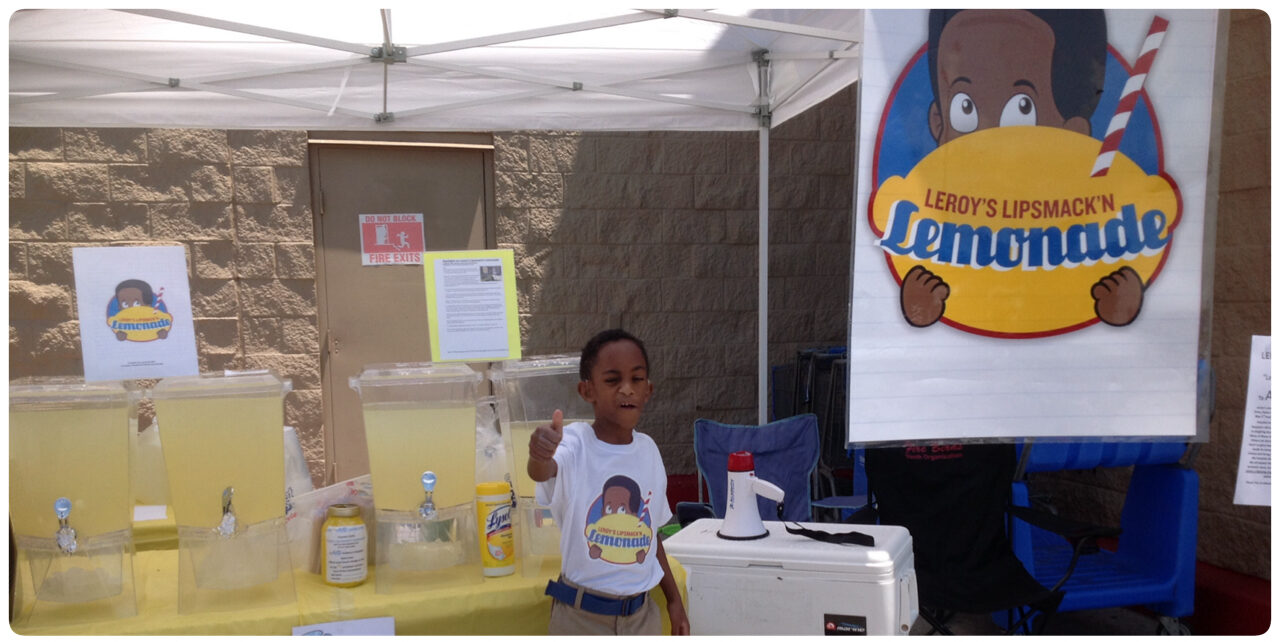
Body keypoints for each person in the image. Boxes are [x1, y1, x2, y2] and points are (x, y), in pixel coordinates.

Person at [901, 9, 1144, 329]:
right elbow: (936, 292)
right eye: (966, 109)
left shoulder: (1088, 220)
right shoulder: (940, 226)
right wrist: (920, 303)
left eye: (1022, 109)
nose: (988, 141)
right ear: (938, 122)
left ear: (1072, 135)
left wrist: (1121, 302)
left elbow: (1102, 285)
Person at [528, 329, 690, 635]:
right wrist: (539, 453)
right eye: (613, 380)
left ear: (648, 390)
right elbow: (543, 471)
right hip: (581, 618)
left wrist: (673, 600)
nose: (626, 389)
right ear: (587, 391)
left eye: (636, 379)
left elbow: (651, 535)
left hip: (642, 617)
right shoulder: (576, 444)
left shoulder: (649, 452)